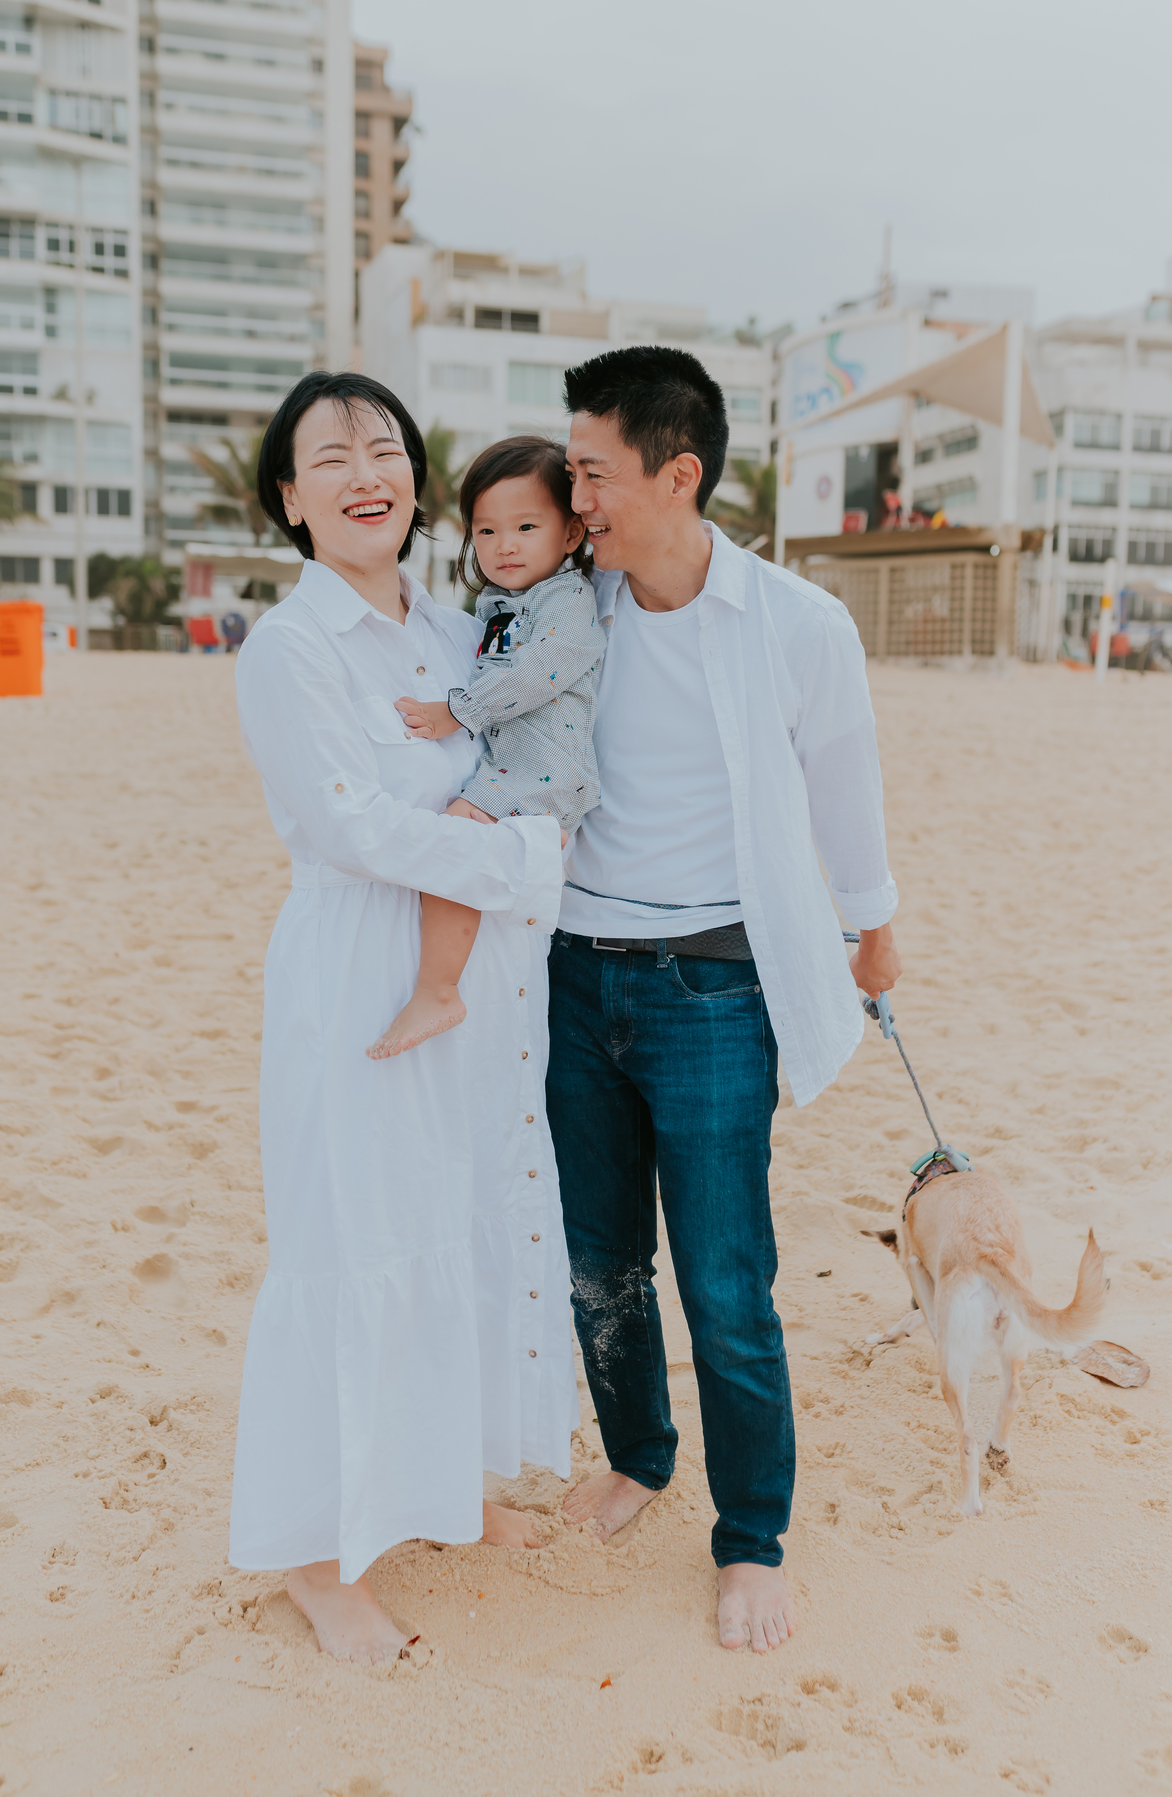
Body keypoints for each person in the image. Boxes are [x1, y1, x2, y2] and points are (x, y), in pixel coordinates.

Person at [547, 345, 902, 1655]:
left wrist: (874, 928)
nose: (575, 494)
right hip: (574, 978)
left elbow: (843, 782)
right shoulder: (567, 606)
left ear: (677, 474)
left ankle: (753, 1533)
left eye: (593, 471)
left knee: (726, 1278)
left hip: (714, 990)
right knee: (601, 1266)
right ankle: (640, 1454)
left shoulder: (796, 623)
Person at [228, 371, 577, 1663]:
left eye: (384, 447)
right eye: (331, 456)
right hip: (359, 967)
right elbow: (350, 827)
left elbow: (517, 759)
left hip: (472, 976)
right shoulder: (294, 648)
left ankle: (444, 1489)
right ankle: (318, 1562)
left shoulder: (456, 629)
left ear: (417, 483)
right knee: (349, 1234)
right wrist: (529, 865)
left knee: (457, 1220)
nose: (364, 469)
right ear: (290, 500)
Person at [371, 436, 603, 1057]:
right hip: (520, 766)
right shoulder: (498, 603)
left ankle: (439, 989)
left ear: (572, 532)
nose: (505, 546)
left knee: (454, 833)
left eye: (527, 526)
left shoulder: (569, 600)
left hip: (545, 771)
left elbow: (540, 672)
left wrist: (455, 713)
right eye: (487, 531)